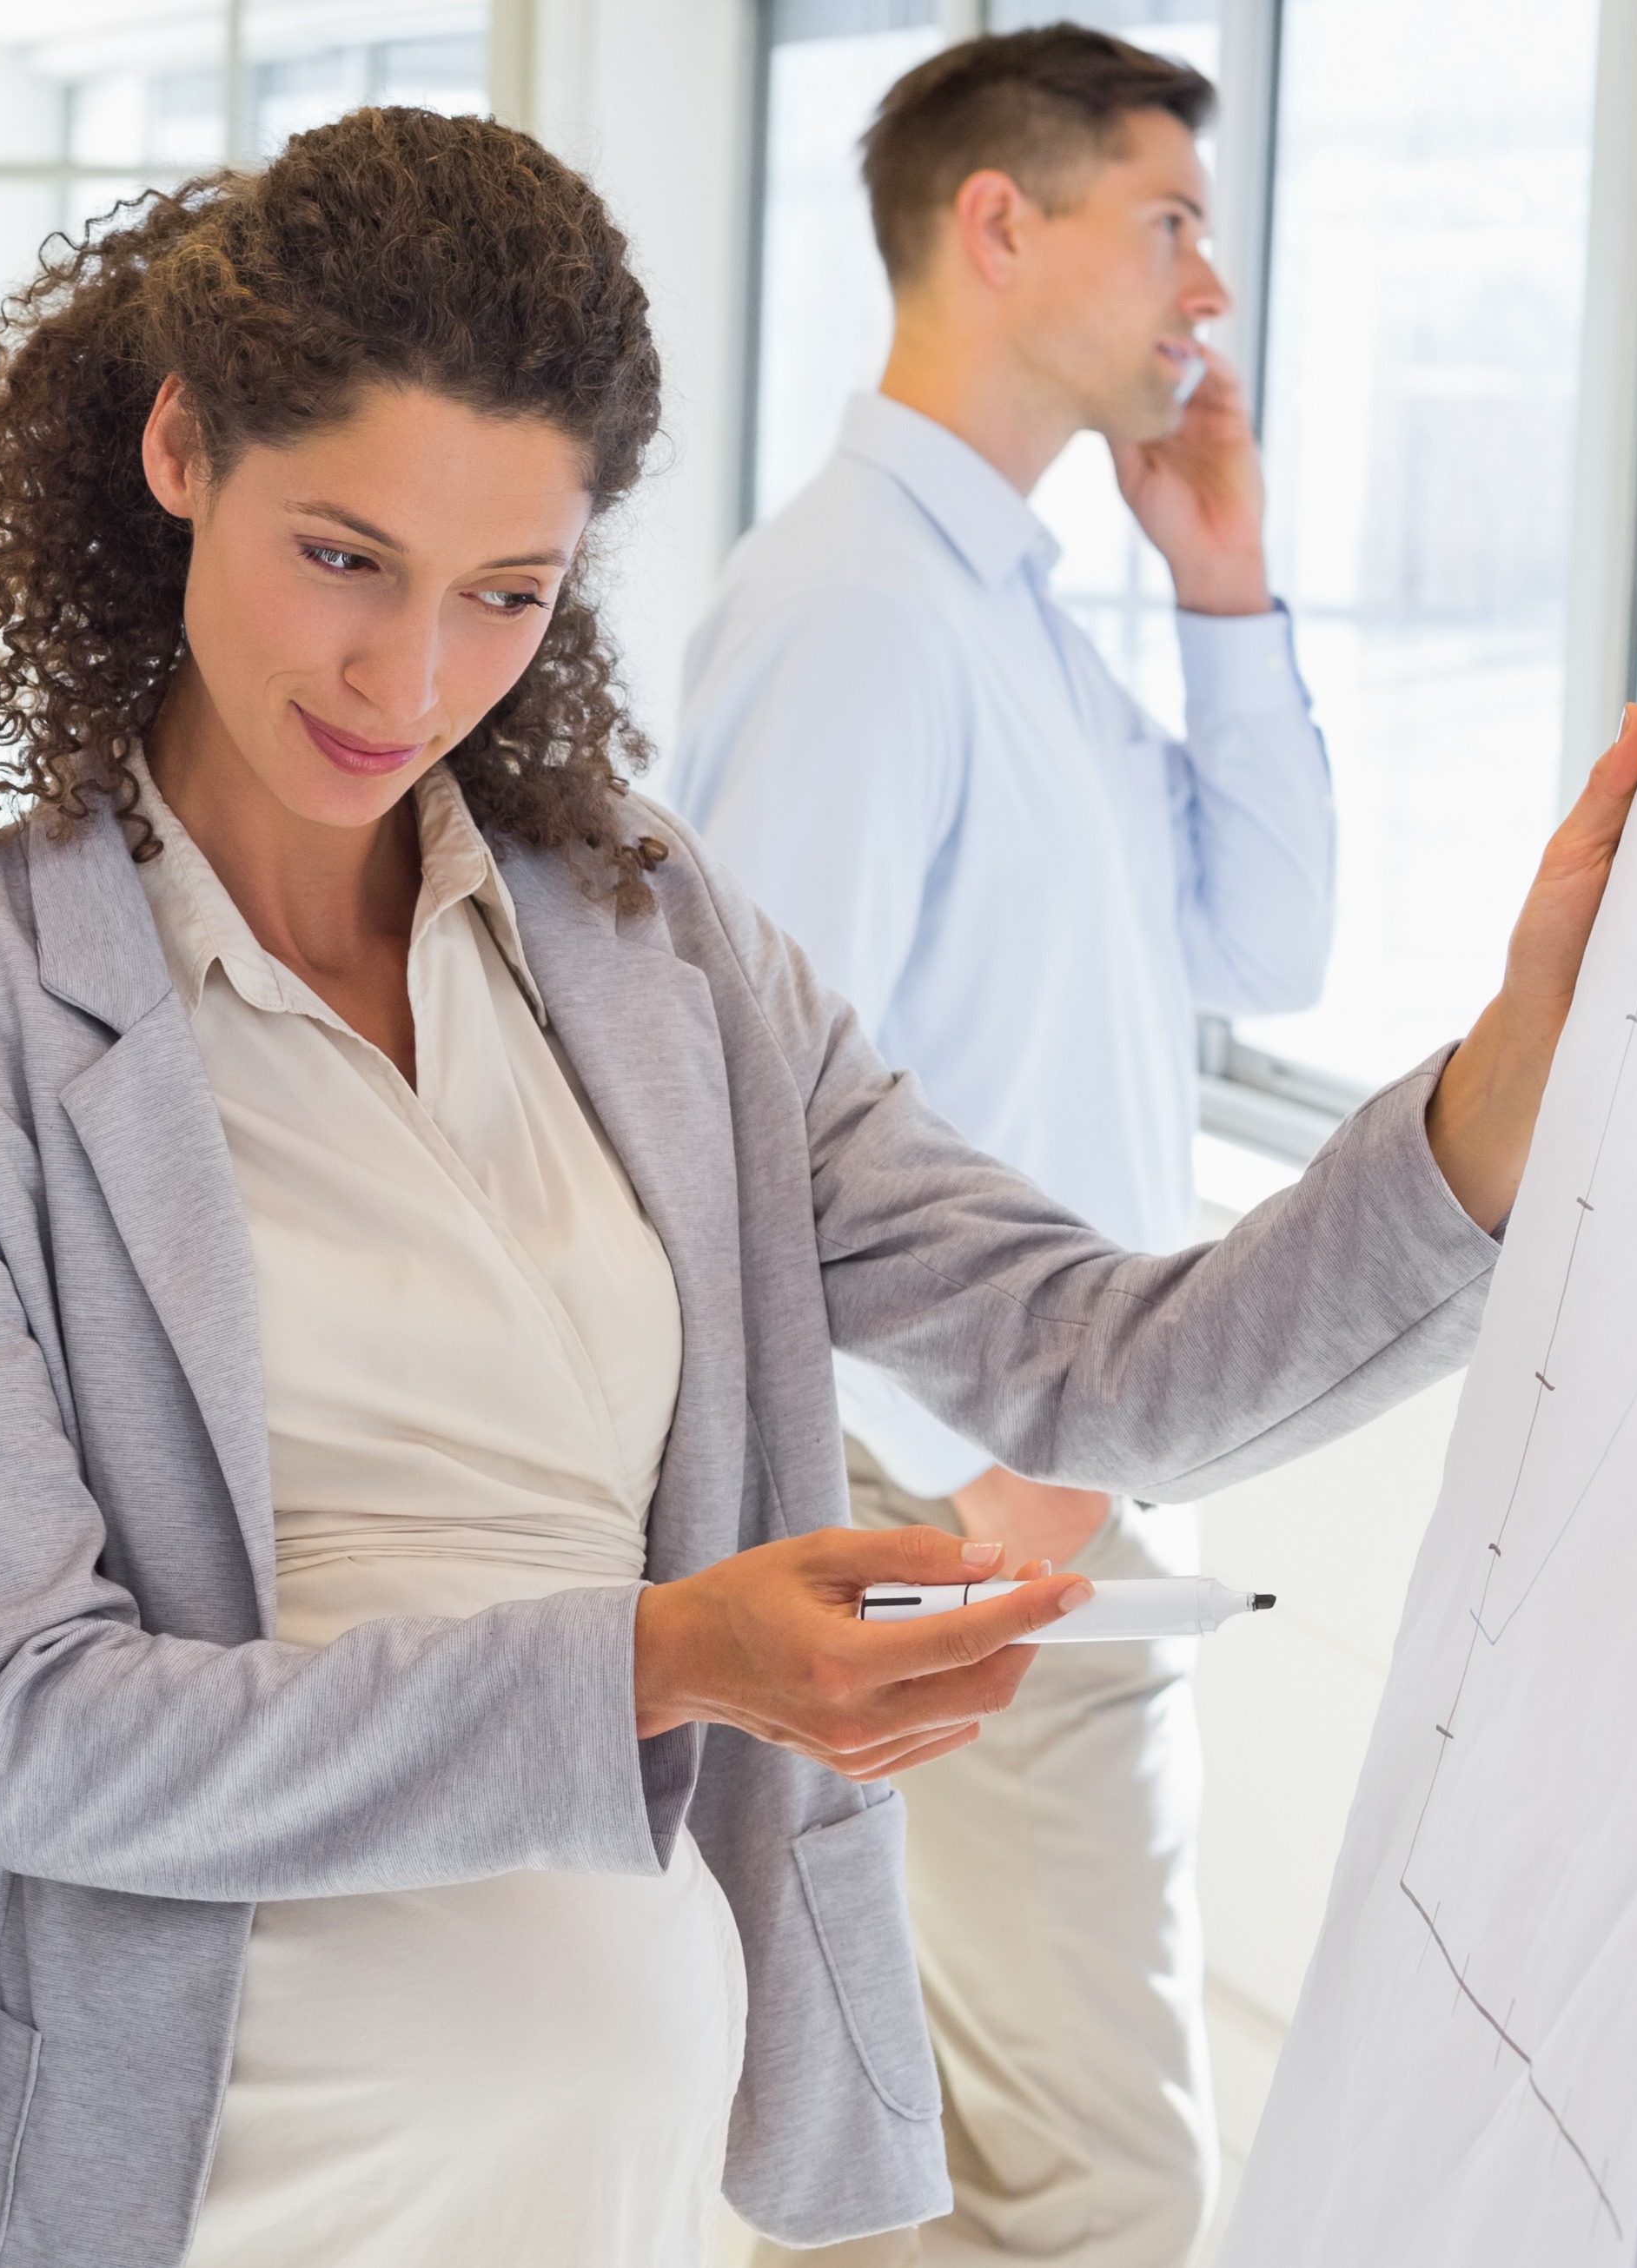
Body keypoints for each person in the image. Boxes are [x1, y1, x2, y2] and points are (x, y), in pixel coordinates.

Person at [0, 108, 1637, 2267]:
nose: (405, 681)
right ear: (180, 450)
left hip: (619, 2185)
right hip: (204, 2174)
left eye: (503, 595)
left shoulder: (652, 950)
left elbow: (1102, 1363)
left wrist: (1511, 1070)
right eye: (339, 556)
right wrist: (656, 1662)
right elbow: (44, 1740)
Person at [665, 30, 1328, 2264]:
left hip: (1026, 1465)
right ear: (995, 223)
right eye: (1167, 222)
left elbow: (1273, 932)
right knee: (1099, 2198)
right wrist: (964, 1481)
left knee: (919, 2165)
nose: (1203, 289)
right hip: (955, 1480)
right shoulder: (853, 605)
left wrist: (1219, 584)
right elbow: (734, 1115)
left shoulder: (1004, 607)